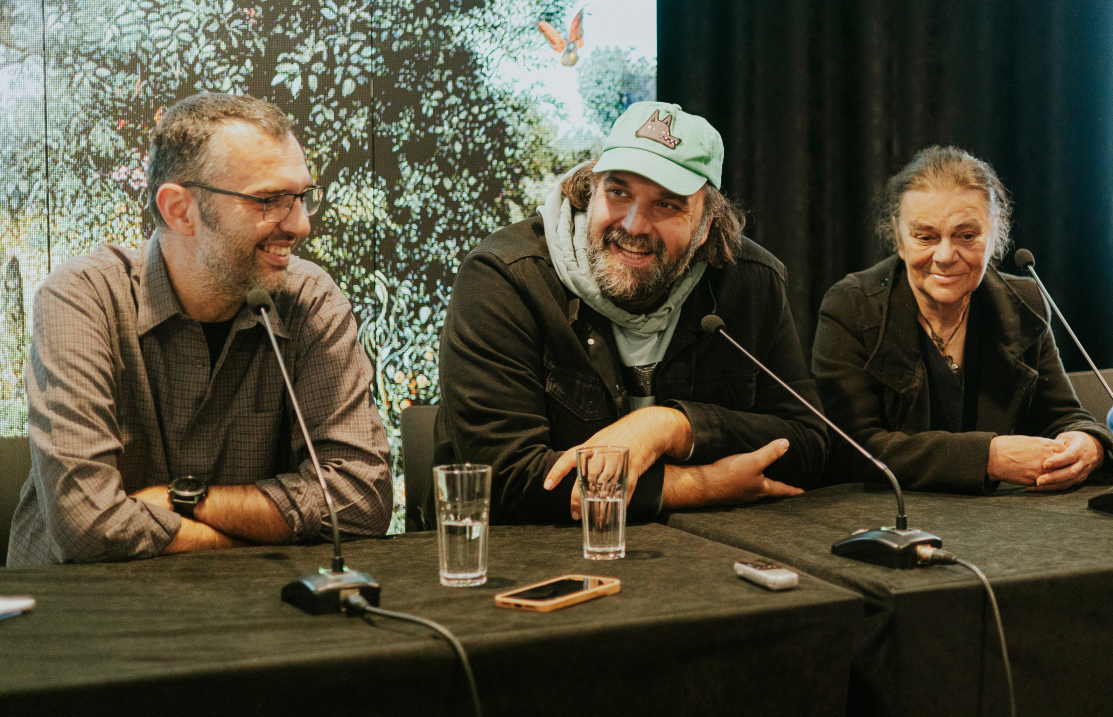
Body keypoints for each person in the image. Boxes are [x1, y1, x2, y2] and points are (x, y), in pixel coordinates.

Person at [7, 93, 392, 566]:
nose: (301, 224)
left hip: (249, 615)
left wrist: (183, 498)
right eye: (270, 200)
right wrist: (249, 534)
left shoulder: (309, 299)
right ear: (179, 210)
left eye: (302, 197)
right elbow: (88, 527)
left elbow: (362, 499)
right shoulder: (82, 297)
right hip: (85, 617)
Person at [435, 101, 825, 523]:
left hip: (703, 567)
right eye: (618, 192)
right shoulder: (505, 278)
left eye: (667, 205)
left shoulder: (750, 281)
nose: (634, 225)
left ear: (706, 226)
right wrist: (700, 485)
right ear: (591, 188)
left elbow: (808, 445)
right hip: (530, 562)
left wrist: (669, 427)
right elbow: (502, 479)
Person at [813, 146, 1113, 492]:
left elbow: (1063, 416)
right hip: (889, 523)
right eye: (925, 237)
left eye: (966, 236)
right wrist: (987, 458)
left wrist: (1088, 444)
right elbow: (851, 447)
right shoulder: (852, 306)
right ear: (899, 241)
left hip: (1002, 530)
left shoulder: (1024, 304)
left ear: (995, 238)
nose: (945, 256)